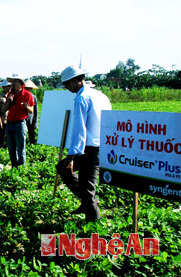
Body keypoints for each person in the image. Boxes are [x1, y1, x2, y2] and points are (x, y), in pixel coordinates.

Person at [56, 66, 112, 222]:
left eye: (67, 84)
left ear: (75, 80)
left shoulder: (82, 98)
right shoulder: (101, 96)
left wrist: (71, 156)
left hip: (90, 148)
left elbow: (80, 130)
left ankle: (93, 224)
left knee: (87, 188)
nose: (66, 88)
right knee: (63, 169)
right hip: (101, 145)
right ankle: (87, 202)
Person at [5, 74, 34, 167]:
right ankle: (14, 167)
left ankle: (21, 168)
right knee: (11, 148)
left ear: (21, 83)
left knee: (21, 149)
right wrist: (10, 101)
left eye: (15, 81)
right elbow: (4, 109)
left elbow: (32, 110)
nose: (13, 84)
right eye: (12, 82)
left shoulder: (27, 95)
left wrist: (26, 107)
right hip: (9, 123)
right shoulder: (10, 94)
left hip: (20, 124)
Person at [0, 79, 11, 148]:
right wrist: (0, 121)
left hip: (10, 119)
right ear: (4, 87)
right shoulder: (0, 97)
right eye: (8, 86)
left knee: (9, 136)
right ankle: (0, 148)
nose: (10, 88)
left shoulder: (11, 96)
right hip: (3, 118)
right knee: (2, 135)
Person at [24, 79, 39, 144]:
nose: (28, 90)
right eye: (26, 88)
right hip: (23, 118)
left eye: (29, 88)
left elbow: (36, 110)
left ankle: (32, 144)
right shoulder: (21, 96)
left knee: (31, 134)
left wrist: (36, 122)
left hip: (31, 119)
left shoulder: (33, 97)